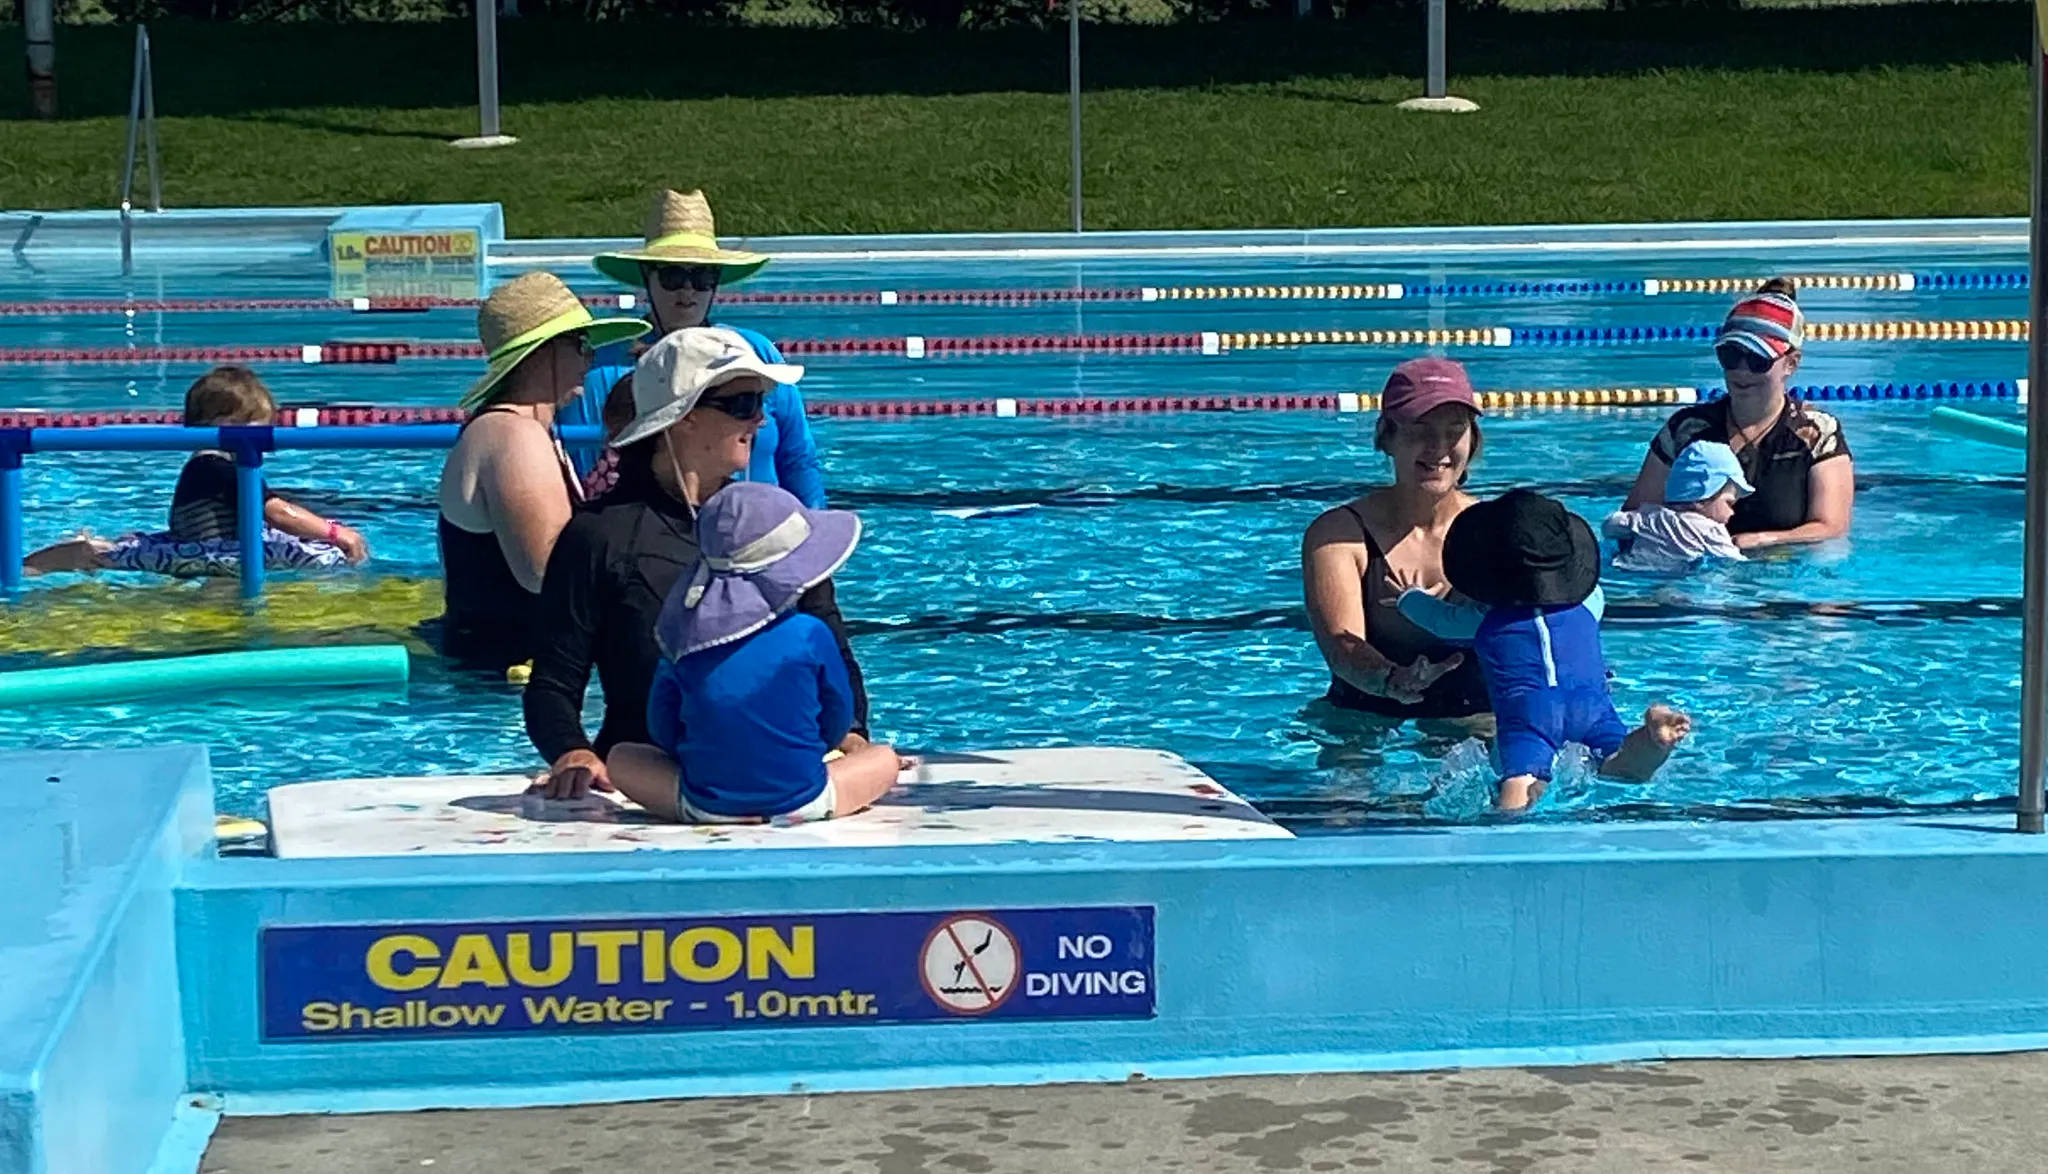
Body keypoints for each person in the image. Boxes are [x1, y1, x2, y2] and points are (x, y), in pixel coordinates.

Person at [525, 327, 872, 800]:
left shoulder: (779, 527)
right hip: (647, 779)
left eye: (762, 403)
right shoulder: (600, 535)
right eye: (744, 405)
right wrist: (572, 751)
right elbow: (553, 683)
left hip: (775, 776)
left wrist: (851, 733)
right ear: (683, 417)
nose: (762, 422)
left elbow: (834, 649)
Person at [606, 481, 905, 823]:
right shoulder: (810, 633)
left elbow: (661, 727)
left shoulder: (684, 637)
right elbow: (837, 716)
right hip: (804, 798)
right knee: (884, 759)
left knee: (621, 758)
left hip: (704, 802)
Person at [1397, 490, 1692, 812]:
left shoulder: (1484, 619)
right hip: (1591, 704)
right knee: (1619, 767)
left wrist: (1407, 597)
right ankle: (1651, 741)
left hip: (1530, 713)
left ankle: (1511, 824)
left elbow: (1439, 621)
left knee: (1518, 780)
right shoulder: (1589, 603)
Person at [434, 272, 648, 669]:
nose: (590, 357)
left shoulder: (515, 432)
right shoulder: (515, 438)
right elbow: (548, 572)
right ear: (543, 353)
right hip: (502, 685)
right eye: (581, 344)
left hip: (488, 667)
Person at [574, 188, 826, 507]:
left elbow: (798, 461)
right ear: (645, 276)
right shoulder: (604, 370)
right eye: (673, 275)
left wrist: (813, 533)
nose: (688, 290)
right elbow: (586, 471)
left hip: (764, 541)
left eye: (703, 276)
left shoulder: (756, 354)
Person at [23, 366, 369, 577]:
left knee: (117, 551)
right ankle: (33, 564)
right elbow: (279, 513)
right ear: (226, 426)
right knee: (327, 556)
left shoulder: (212, 463)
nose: (264, 440)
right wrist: (337, 532)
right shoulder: (218, 466)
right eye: (260, 429)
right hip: (204, 550)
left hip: (200, 545)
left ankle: (48, 559)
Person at [1301, 358, 1491, 722]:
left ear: (1473, 439)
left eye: (1454, 430)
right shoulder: (1339, 535)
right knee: (1345, 775)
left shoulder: (1497, 531)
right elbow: (1341, 647)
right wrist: (1392, 680)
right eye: (1420, 430)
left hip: (1473, 715)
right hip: (1362, 714)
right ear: (1387, 437)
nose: (1438, 447)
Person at [1622, 279, 1853, 551]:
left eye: (1757, 360)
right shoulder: (1687, 430)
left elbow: (1831, 528)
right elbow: (1633, 517)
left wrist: (1760, 542)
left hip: (1782, 575)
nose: (1741, 371)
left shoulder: (1816, 434)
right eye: (1731, 356)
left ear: (1791, 363)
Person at [1603, 441, 1752, 573]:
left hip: (1629, 571)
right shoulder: (1711, 532)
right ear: (1701, 498)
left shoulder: (1647, 517)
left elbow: (1610, 526)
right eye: (1729, 503)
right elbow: (1736, 563)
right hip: (1678, 579)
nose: (1732, 512)